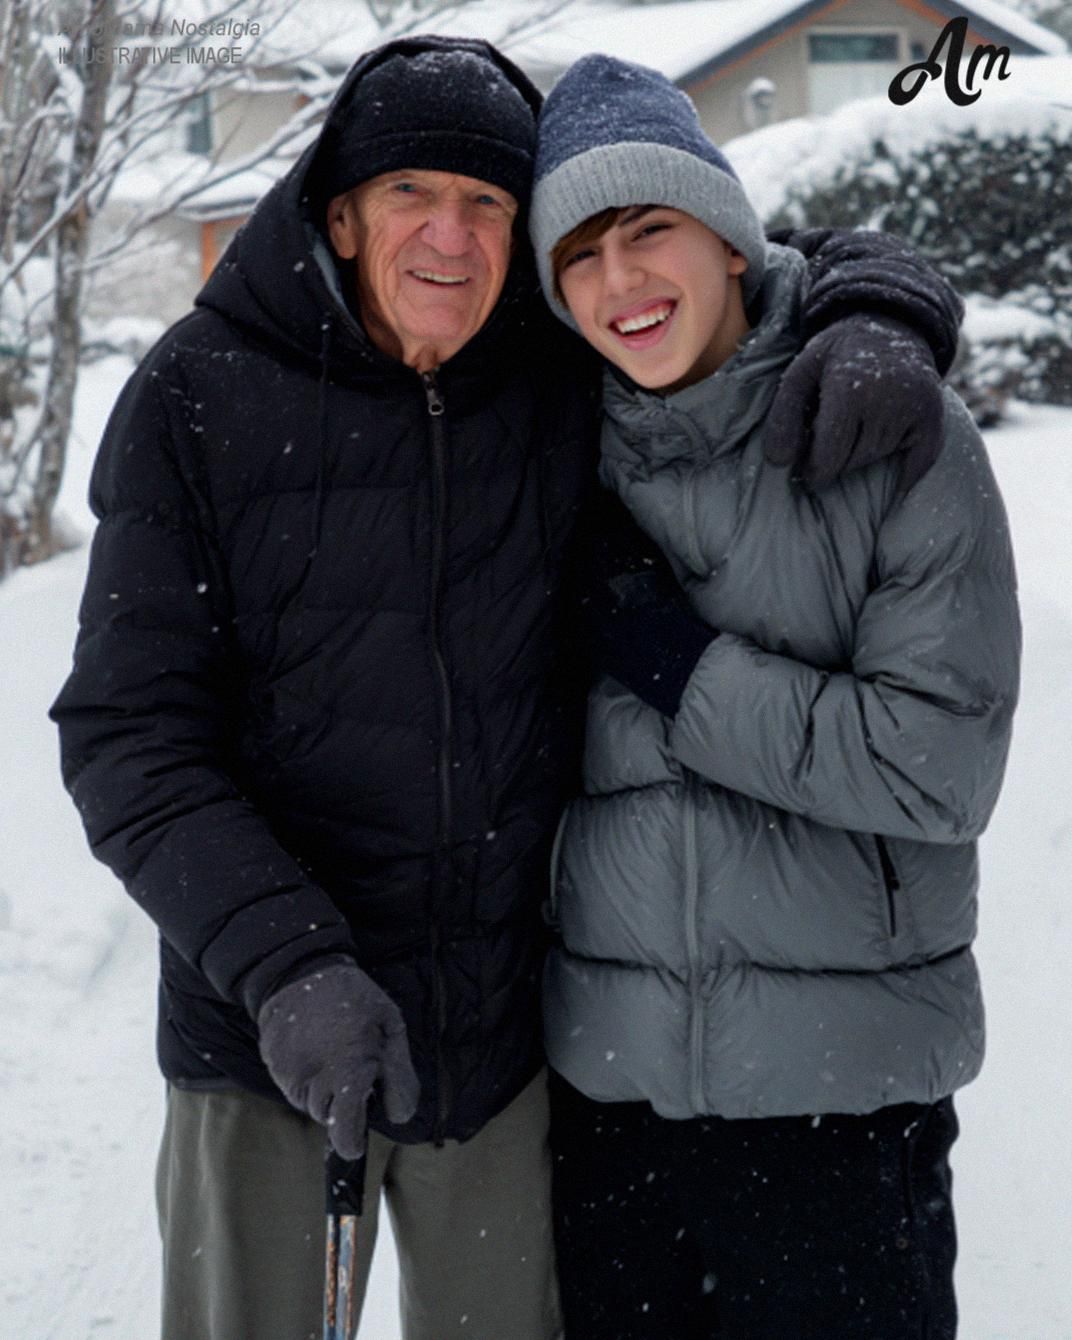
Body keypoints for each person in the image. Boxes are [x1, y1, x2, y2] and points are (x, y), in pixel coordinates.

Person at [50, 33, 965, 1340]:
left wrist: (884, 305)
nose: (451, 235)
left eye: (487, 202)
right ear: (339, 213)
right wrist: (285, 962)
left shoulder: (551, 370)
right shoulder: (198, 395)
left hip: (498, 1040)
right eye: (410, 193)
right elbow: (128, 735)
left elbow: (727, 266)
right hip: (265, 1038)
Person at [528, 54, 1020, 1340]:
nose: (620, 281)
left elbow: (935, 768)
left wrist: (674, 662)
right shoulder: (543, 450)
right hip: (613, 1107)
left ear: (731, 239)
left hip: (839, 1108)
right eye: (578, 255)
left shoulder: (892, 430)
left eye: (650, 229)